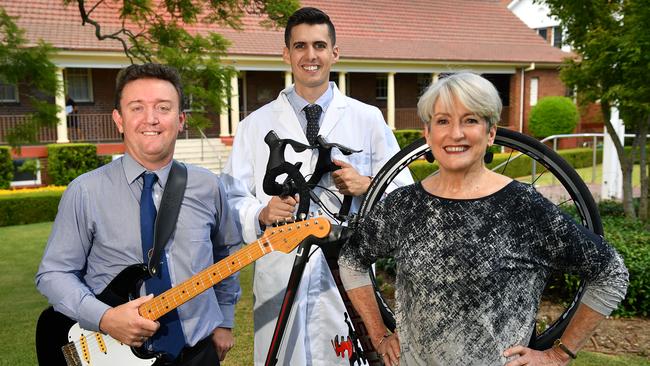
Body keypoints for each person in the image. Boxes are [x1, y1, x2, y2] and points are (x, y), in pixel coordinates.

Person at [338, 72, 629, 366]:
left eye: (470, 120)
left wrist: (559, 354)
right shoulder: (403, 205)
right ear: (427, 133)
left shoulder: (523, 208)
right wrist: (378, 335)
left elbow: (611, 273)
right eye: (443, 121)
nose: (456, 134)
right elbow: (351, 262)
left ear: (490, 133)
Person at [222, 7, 412, 365]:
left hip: (347, 276)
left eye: (320, 45)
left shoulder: (367, 119)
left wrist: (367, 184)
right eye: (300, 46)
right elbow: (229, 198)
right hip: (279, 276)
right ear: (286, 53)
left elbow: (406, 193)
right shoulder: (254, 125)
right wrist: (260, 213)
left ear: (334, 53)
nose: (311, 56)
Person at [36, 63, 241, 366]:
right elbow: (53, 273)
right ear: (119, 119)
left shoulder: (209, 186)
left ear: (180, 119)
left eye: (163, 107)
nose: (151, 119)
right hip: (115, 353)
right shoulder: (85, 191)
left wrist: (224, 319)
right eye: (137, 108)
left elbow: (226, 255)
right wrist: (105, 317)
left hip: (197, 351)